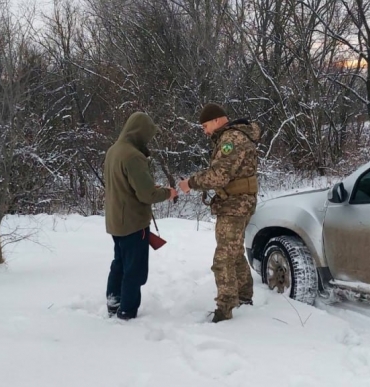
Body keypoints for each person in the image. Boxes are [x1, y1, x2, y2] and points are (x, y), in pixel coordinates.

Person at [179, 103, 260, 323]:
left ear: (217, 120)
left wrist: (191, 183)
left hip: (236, 205)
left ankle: (225, 311)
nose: (205, 131)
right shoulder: (234, 136)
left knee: (223, 258)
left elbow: (219, 176)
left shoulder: (231, 139)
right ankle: (244, 297)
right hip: (238, 203)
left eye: (205, 125)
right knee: (233, 251)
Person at [103, 112, 178, 320]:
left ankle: (113, 302)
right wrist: (167, 193)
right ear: (140, 132)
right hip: (133, 223)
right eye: (148, 135)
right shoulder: (133, 156)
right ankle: (127, 310)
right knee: (134, 270)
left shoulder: (113, 151)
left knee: (119, 263)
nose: (149, 139)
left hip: (115, 220)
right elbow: (147, 194)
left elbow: (125, 185)